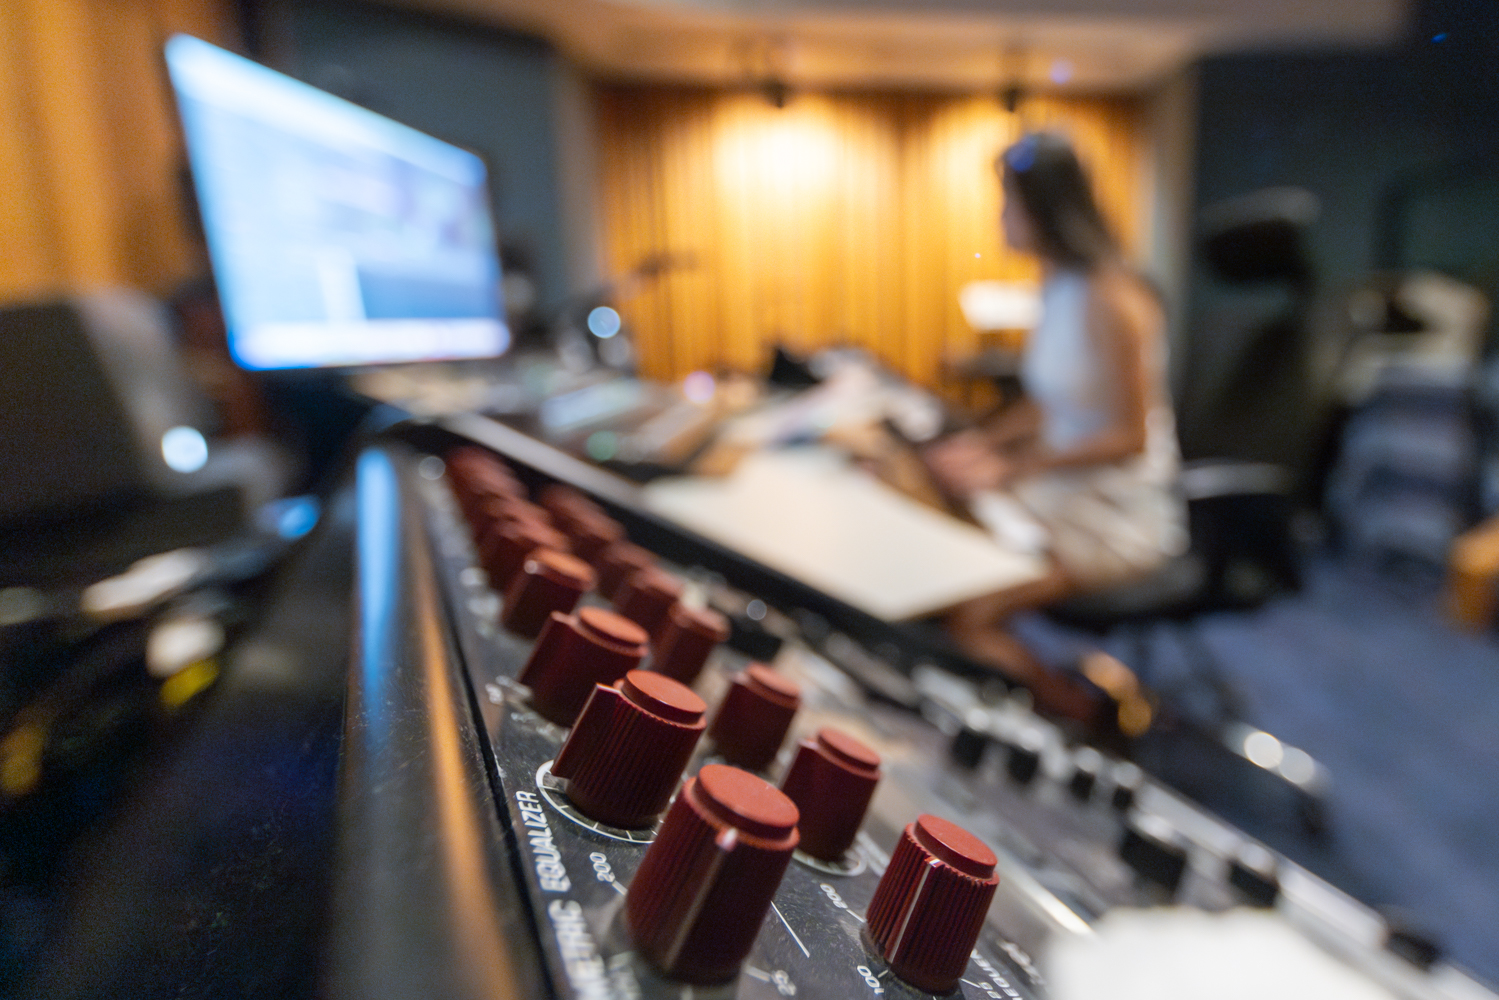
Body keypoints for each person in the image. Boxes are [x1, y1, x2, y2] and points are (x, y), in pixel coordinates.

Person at [924, 132, 1186, 705]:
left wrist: (1013, 467)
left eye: (1008, 203)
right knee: (943, 553)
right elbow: (1049, 400)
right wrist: (981, 444)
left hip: (1110, 515)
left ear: (1044, 209)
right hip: (1059, 490)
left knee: (969, 614)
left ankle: (1078, 716)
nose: (999, 218)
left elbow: (1130, 437)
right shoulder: (1059, 285)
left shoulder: (1116, 297)